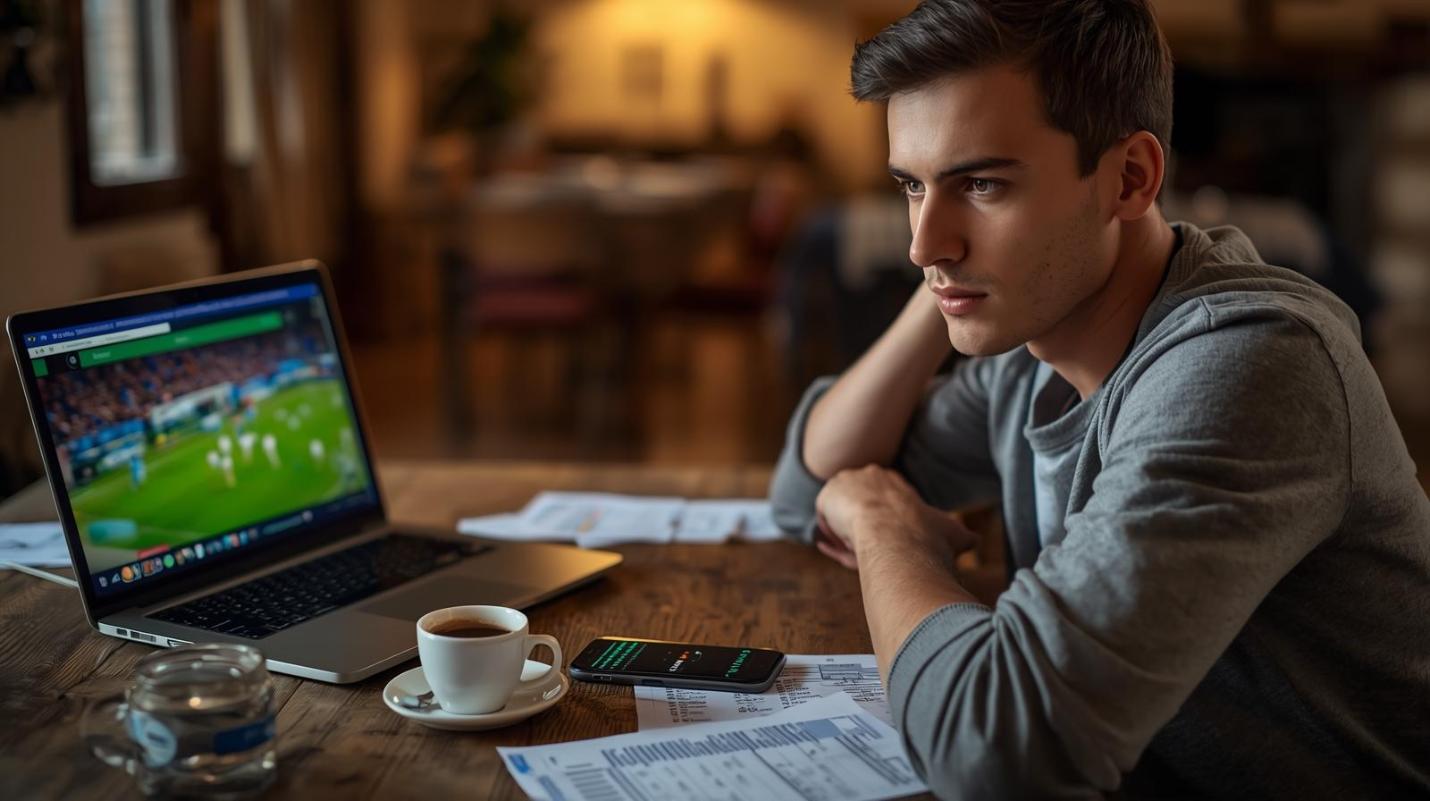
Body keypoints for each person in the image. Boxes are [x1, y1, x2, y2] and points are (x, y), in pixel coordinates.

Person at [767, 1, 1430, 798]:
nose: (920, 243)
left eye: (981, 183)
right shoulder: (1036, 348)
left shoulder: (1249, 361)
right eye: (912, 184)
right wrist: (948, 290)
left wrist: (887, 532)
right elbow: (809, 483)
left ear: (1131, 178)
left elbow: (1001, 754)